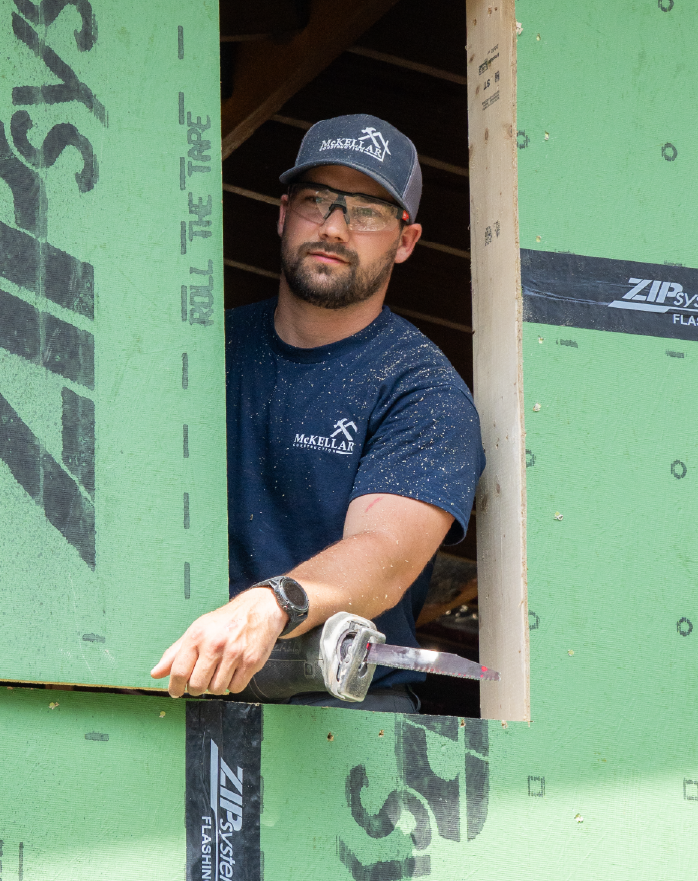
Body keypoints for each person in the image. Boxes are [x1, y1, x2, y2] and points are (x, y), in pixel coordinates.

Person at [151, 114, 485, 712]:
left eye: (366, 212)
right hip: (177, 683)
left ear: (405, 241)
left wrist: (271, 602)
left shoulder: (424, 392)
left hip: (340, 714)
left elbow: (383, 554)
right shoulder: (204, 351)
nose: (334, 227)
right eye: (317, 201)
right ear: (283, 215)